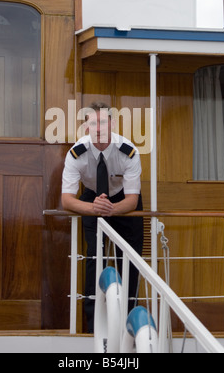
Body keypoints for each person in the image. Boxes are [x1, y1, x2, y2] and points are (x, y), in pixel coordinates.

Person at [61, 102, 144, 332]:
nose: (99, 128)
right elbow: (67, 200)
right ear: (87, 126)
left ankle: (130, 325)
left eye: (104, 122)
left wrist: (111, 209)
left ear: (113, 124)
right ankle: (92, 327)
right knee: (94, 258)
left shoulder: (127, 151)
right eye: (93, 123)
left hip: (123, 201)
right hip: (91, 198)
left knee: (128, 260)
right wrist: (94, 209)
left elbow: (132, 200)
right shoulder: (77, 153)